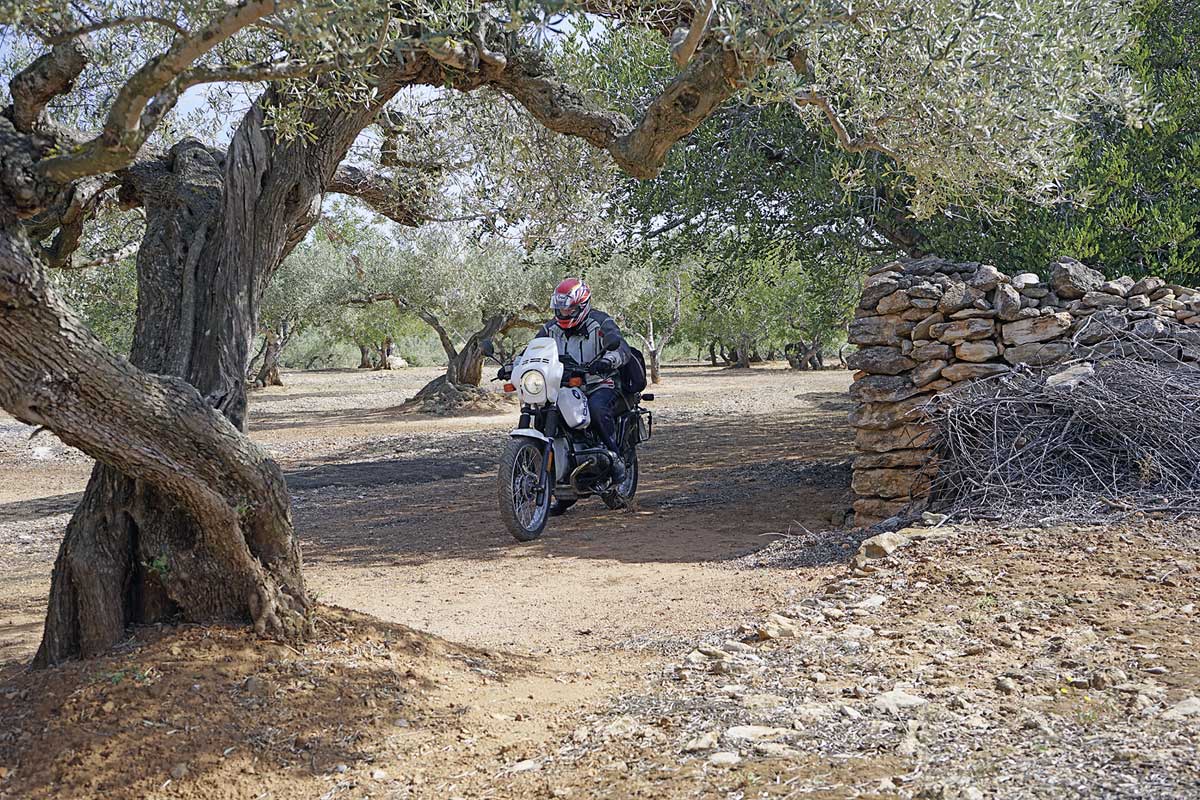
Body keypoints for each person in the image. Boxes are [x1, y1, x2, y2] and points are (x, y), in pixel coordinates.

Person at [536, 277, 631, 485]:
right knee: (540, 412)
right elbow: (532, 349)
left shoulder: (601, 322)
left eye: (569, 309)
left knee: (597, 409)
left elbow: (621, 349)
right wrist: (514, 365)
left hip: (599, 382)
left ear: (582, 306)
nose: (564, 314)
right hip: (562, 386)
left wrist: (608, 361)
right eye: (560, 309)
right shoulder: (550, 328)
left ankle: (615, 458)